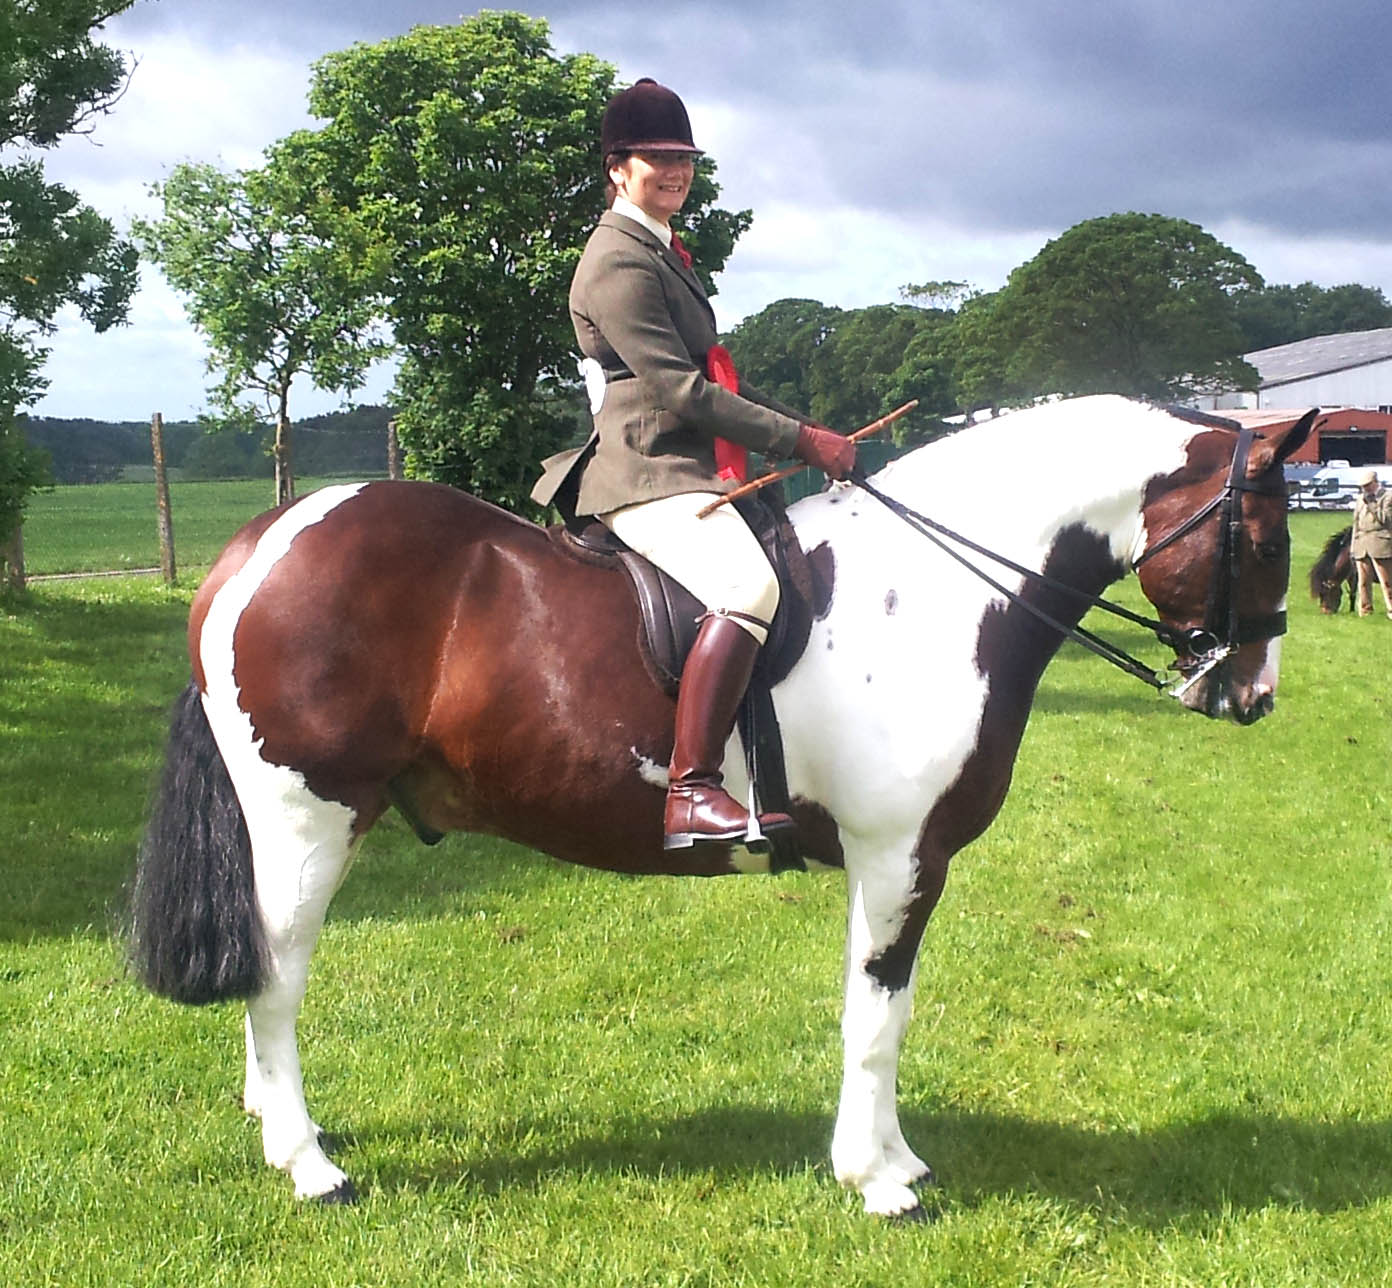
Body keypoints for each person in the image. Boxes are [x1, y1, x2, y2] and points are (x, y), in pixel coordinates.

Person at [532, 77, 855, 851]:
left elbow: (714, 372)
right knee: (749, 586)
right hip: (647, 469)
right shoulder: (617, 260)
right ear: (618, 167)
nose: (675, 172)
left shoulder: (663, 248)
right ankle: (692, 790)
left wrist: (807, 425)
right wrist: (801, 442)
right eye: (657, 159)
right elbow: (680, 392)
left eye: (684, 158)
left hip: (686, 465)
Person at [1350, 467, 1392, 618]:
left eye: (1367, 486)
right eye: (1363, 487)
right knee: (1363, 582)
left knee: (1386, 582)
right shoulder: (1360, 499)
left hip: (1381, 543)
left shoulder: (1387, 497)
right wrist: (1353, 546)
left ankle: (1391, 609)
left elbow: (1386, 520)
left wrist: (1373, 504)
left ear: (1375, 483)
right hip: (1362, 543)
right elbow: (1356, 523)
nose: (1365, 489)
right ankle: (1365, 610)